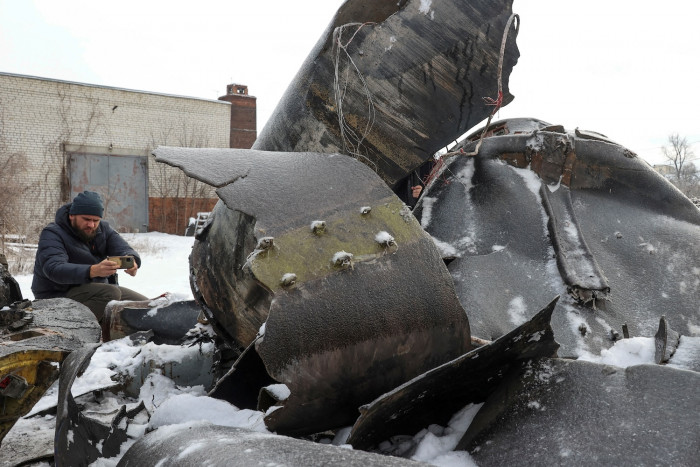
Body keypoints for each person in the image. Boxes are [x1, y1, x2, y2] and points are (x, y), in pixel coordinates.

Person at [31, 191, 148, 322]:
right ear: (72, 216)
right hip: (56, 296)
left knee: (146, 306)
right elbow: (54, 269)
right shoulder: (53, 233)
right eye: (86, 219)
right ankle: (71, 330)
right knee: (110, 293)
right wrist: (92, 271)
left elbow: (123, 248)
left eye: (95, 220)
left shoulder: (103, 229)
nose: (91, 225)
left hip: (97, 290)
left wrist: (132, 260)